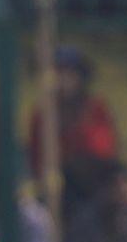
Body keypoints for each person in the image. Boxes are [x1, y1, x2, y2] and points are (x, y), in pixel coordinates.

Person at [28, 46, 119, 218]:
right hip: (58, 193)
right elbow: (38, 160)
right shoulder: (42, 114)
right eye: (58, 74)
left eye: (69, 74)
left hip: (94, 188)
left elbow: (103, 151)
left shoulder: (95, 108)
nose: (63, 81)